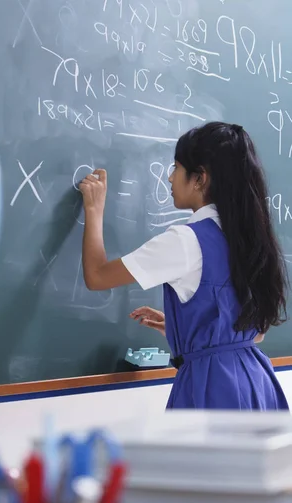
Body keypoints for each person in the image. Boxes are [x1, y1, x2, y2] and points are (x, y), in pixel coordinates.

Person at [79, 122, 289, 410]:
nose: (169, 177)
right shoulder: (249, 237)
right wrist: (183, 330)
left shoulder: (185, 240)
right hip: (257, 383)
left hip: (213, 387)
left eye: (176, 168)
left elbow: (97, 275)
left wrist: (94, 209)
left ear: (200, 178)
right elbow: (256, 331)